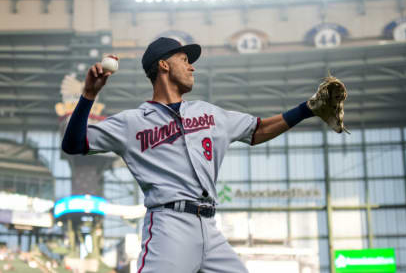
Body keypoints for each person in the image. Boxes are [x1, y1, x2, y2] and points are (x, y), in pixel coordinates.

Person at [62, 37, 314, 273]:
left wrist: (306, 109)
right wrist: (88, 96)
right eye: (184, 60)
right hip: (169, 226)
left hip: (210, 228)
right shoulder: (132, 122)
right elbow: (73, 144)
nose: (191, 68)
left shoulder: (209, 113)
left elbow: (258, 130)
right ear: (163, 65)